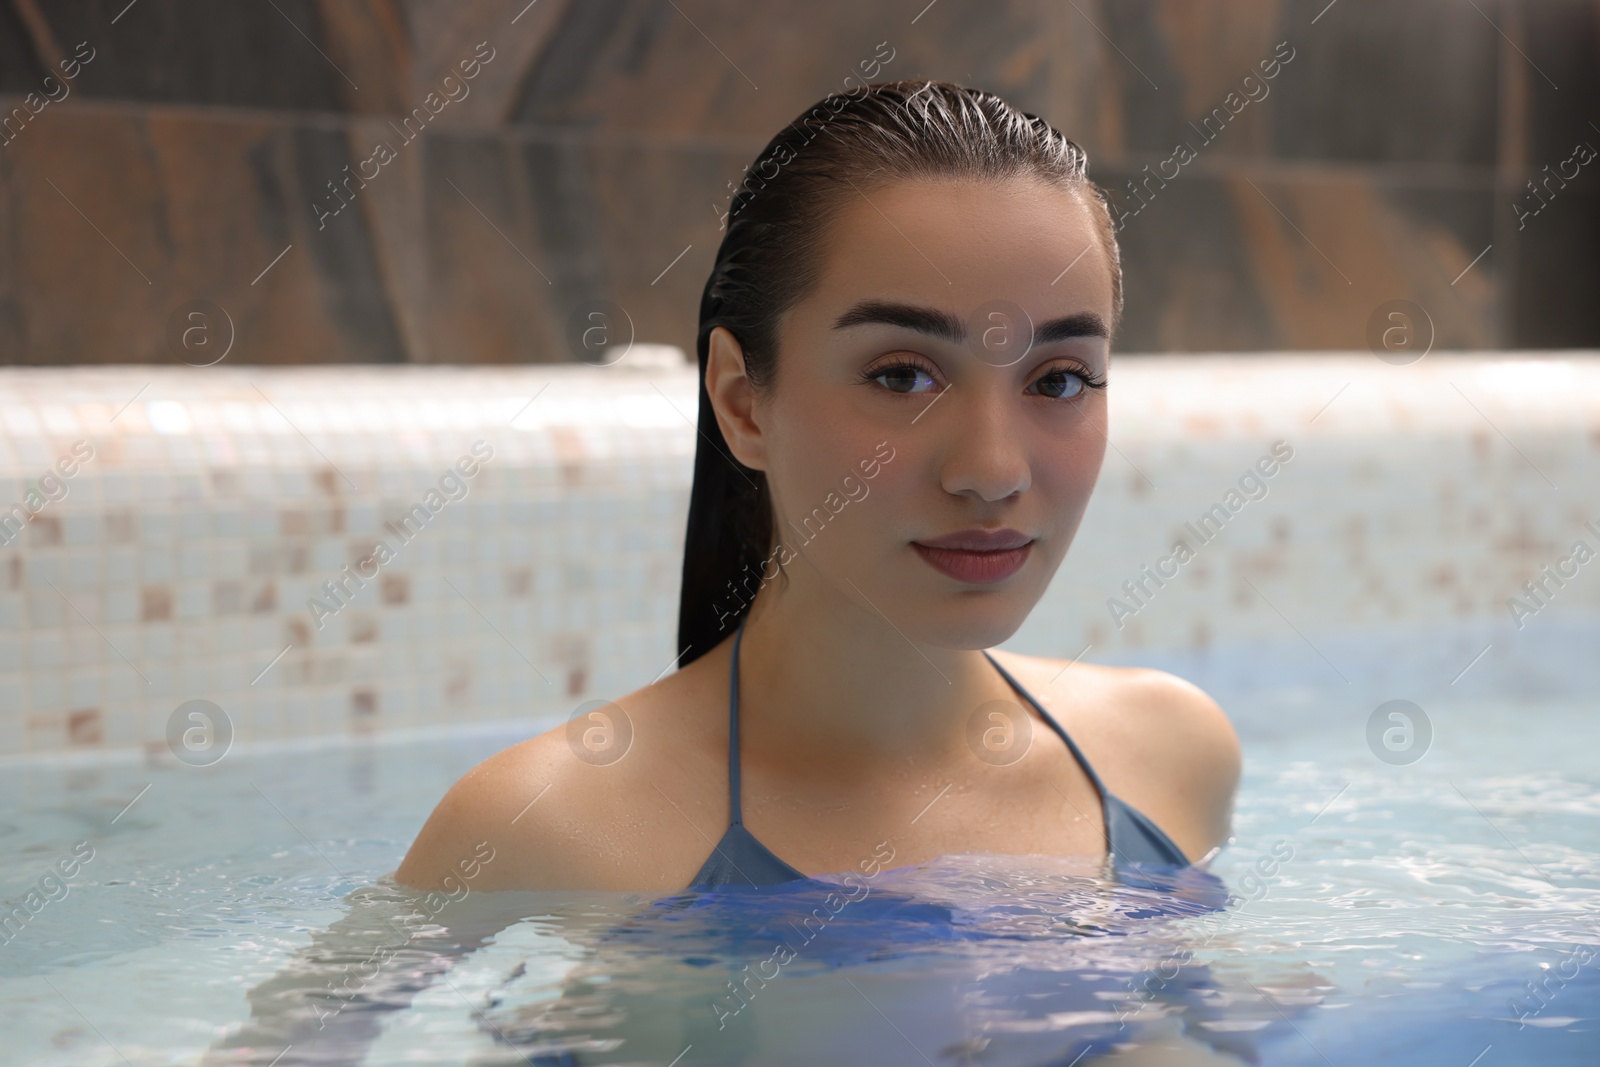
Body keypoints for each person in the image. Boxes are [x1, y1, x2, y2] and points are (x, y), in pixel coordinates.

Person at [396, 79, 1240, 896]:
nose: (993, 470)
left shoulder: (1169, 754)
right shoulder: (550, 825)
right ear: (742, 402)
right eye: (903, 375)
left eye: (1058, 380)